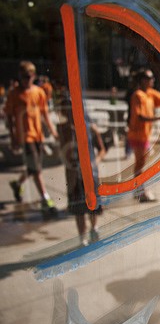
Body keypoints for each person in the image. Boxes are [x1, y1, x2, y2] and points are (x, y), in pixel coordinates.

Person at [5, 61, 59, 215]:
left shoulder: (39, 92)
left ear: (33, 76)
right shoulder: (14, 93)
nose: (25, 80)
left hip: (38, 135)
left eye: (28, 76)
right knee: (36, 169)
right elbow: (9, 116)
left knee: (33, 167)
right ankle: (45, 199)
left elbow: (45, 114)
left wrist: (52, 130)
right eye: (22, 77)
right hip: (25, 136)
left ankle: (17, 183)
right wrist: (13, 136)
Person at [56, 88, 105, 246]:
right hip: (73, 173)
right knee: (78, 207)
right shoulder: (63, 129)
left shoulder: (89, 128)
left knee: (92, 203)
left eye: (70, 108)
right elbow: (63, 150)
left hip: (90, 173)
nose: (68, 112)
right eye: (65, 109)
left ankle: (94, 227)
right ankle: (81, 237)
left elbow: (102, 149)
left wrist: (94, 163)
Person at [127, 69, 160, 202]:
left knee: (141, 164)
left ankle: (139, 190)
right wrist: (159, 118)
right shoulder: (138, 95)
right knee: (140, 164)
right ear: (142, 80)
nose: (152, 80)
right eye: (149, 78)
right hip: (137, 135)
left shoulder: (151, 94)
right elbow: (140, 116)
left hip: (144, 136)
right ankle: (140, 191)